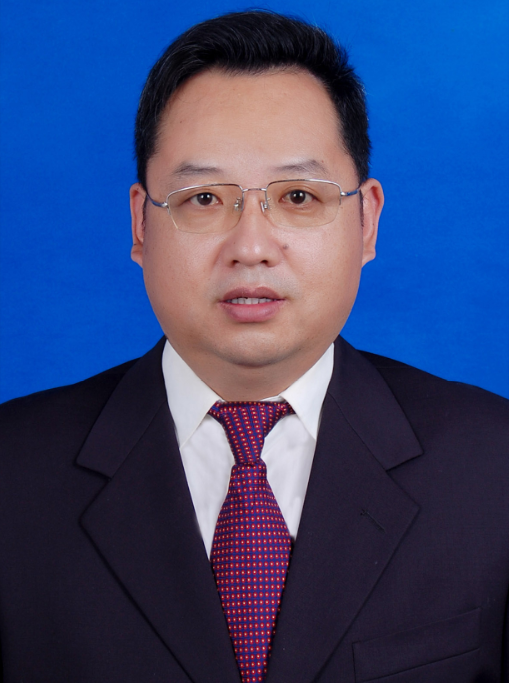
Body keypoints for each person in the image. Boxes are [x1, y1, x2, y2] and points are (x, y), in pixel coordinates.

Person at [1, 10, 508, 683]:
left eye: (297, 195)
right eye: (203, 198)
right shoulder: (12, 476)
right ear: (140, 225)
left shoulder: (493, 466)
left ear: (366, 222)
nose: (250, 247)